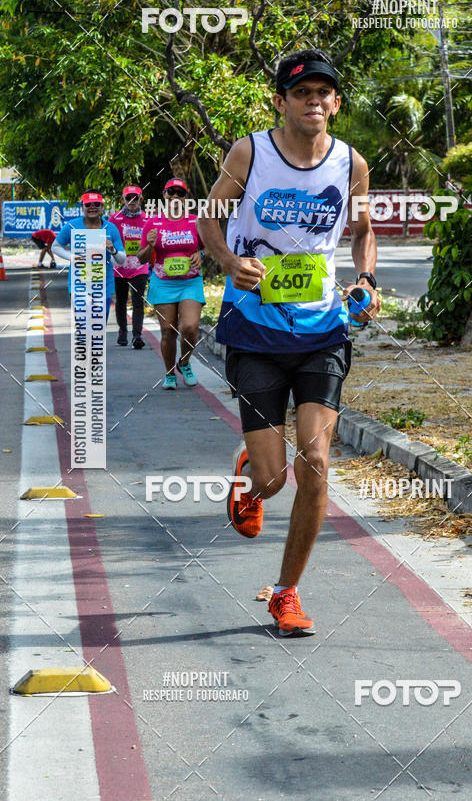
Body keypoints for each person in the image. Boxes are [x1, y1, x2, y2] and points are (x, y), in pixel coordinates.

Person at [199, 48, 381, 636]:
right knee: (274, 478)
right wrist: (230, 260)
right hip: (254, 330)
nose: (314, 102)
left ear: (336, 102)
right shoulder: (250, 153)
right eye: (302, 93)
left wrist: (366, 279)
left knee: (317, 462)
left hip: (322, 330)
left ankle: (286, 593)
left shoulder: (351, 163)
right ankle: (252, 475)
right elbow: (208, 219)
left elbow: (363, 231)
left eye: (324, 92)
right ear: (281, 101)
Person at [138, 178, 205, 389]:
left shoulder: (195, 221)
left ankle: (184, 363)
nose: (175, 196)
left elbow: (210, 246)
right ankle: (169, 374)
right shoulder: (153, 223)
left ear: (186, 197)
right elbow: (141, 258)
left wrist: (201, 254)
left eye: (180, 193)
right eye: (171, 192)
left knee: (190, 327)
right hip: (163, 283)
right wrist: (150, 246)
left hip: (190, 282)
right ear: (164, 195)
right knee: (168, 330)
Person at [53, 190, 125, 320]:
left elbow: (121, 260)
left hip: (104, 286)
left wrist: (113, 250)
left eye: (96, 204)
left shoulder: (111, 228)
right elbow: (55, 246)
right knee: (83, 325)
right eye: (88, 204)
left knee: (98, 326)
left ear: (102, 206)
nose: (92, 207)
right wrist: (71, 257)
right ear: (82, 207)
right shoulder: (72, 226)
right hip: (79, 285)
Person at [109, 185, 149, 349]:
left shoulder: (147, 219)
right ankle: (122, 332)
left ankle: (137, 335)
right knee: (121, 301)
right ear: (122, 199)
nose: (132, 201)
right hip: (119, 266)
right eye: (128, 198)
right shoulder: (114, 219)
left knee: (138, 301)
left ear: (141, 199)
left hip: (140, 266)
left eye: (135, 198)